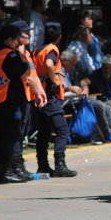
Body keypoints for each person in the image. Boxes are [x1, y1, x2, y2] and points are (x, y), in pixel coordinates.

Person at [61, 50, 111, 152]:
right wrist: (84, 89)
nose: (108, 69)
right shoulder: (96, 74)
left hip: (80, 100)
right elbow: (83, 82)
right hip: (84, 101)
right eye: (106, 66)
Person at [0, 24, 31, 184]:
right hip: (8, 100)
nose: (19, 43)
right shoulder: (8, 55)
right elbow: (23, 71)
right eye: (17, 40)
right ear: (9, 39)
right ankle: (5, 171)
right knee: (8, 138)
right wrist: (24, 58)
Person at [32, 23, 77, 178]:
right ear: (59, 37)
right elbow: (49, 64)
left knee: (44, 132)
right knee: (62, 130)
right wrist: (56, 81)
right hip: (49, 95)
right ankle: (60, 165)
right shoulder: (52, 49)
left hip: (38, 95)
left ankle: (43, 166)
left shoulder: (37, 50)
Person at [10, 20, 48, 180]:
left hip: (28, 96)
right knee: (17, 134)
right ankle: (15, 166)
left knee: (22, 133)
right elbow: (25, 75)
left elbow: (32, 74)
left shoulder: (25, 52)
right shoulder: (15, 54)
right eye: (26, 33)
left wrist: (39, 91)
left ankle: (18, 165)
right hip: (19, 97)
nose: (29, 36)